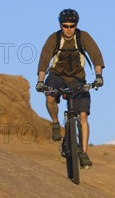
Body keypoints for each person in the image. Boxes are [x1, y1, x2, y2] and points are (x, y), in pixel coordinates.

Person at [36, 9, 105, 169]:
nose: (68, 29)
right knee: (50, 96)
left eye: (72, 26)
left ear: (76, 25)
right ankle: (55, 123)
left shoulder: (83, 37)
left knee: (82, 116)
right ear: (60, 25)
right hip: (56, 76)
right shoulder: (54, 38)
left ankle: (84, 153)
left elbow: (96, 56)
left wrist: (99, 77)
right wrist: (40, 81)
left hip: (77, 79)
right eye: (65, 26)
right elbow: (44, 59)